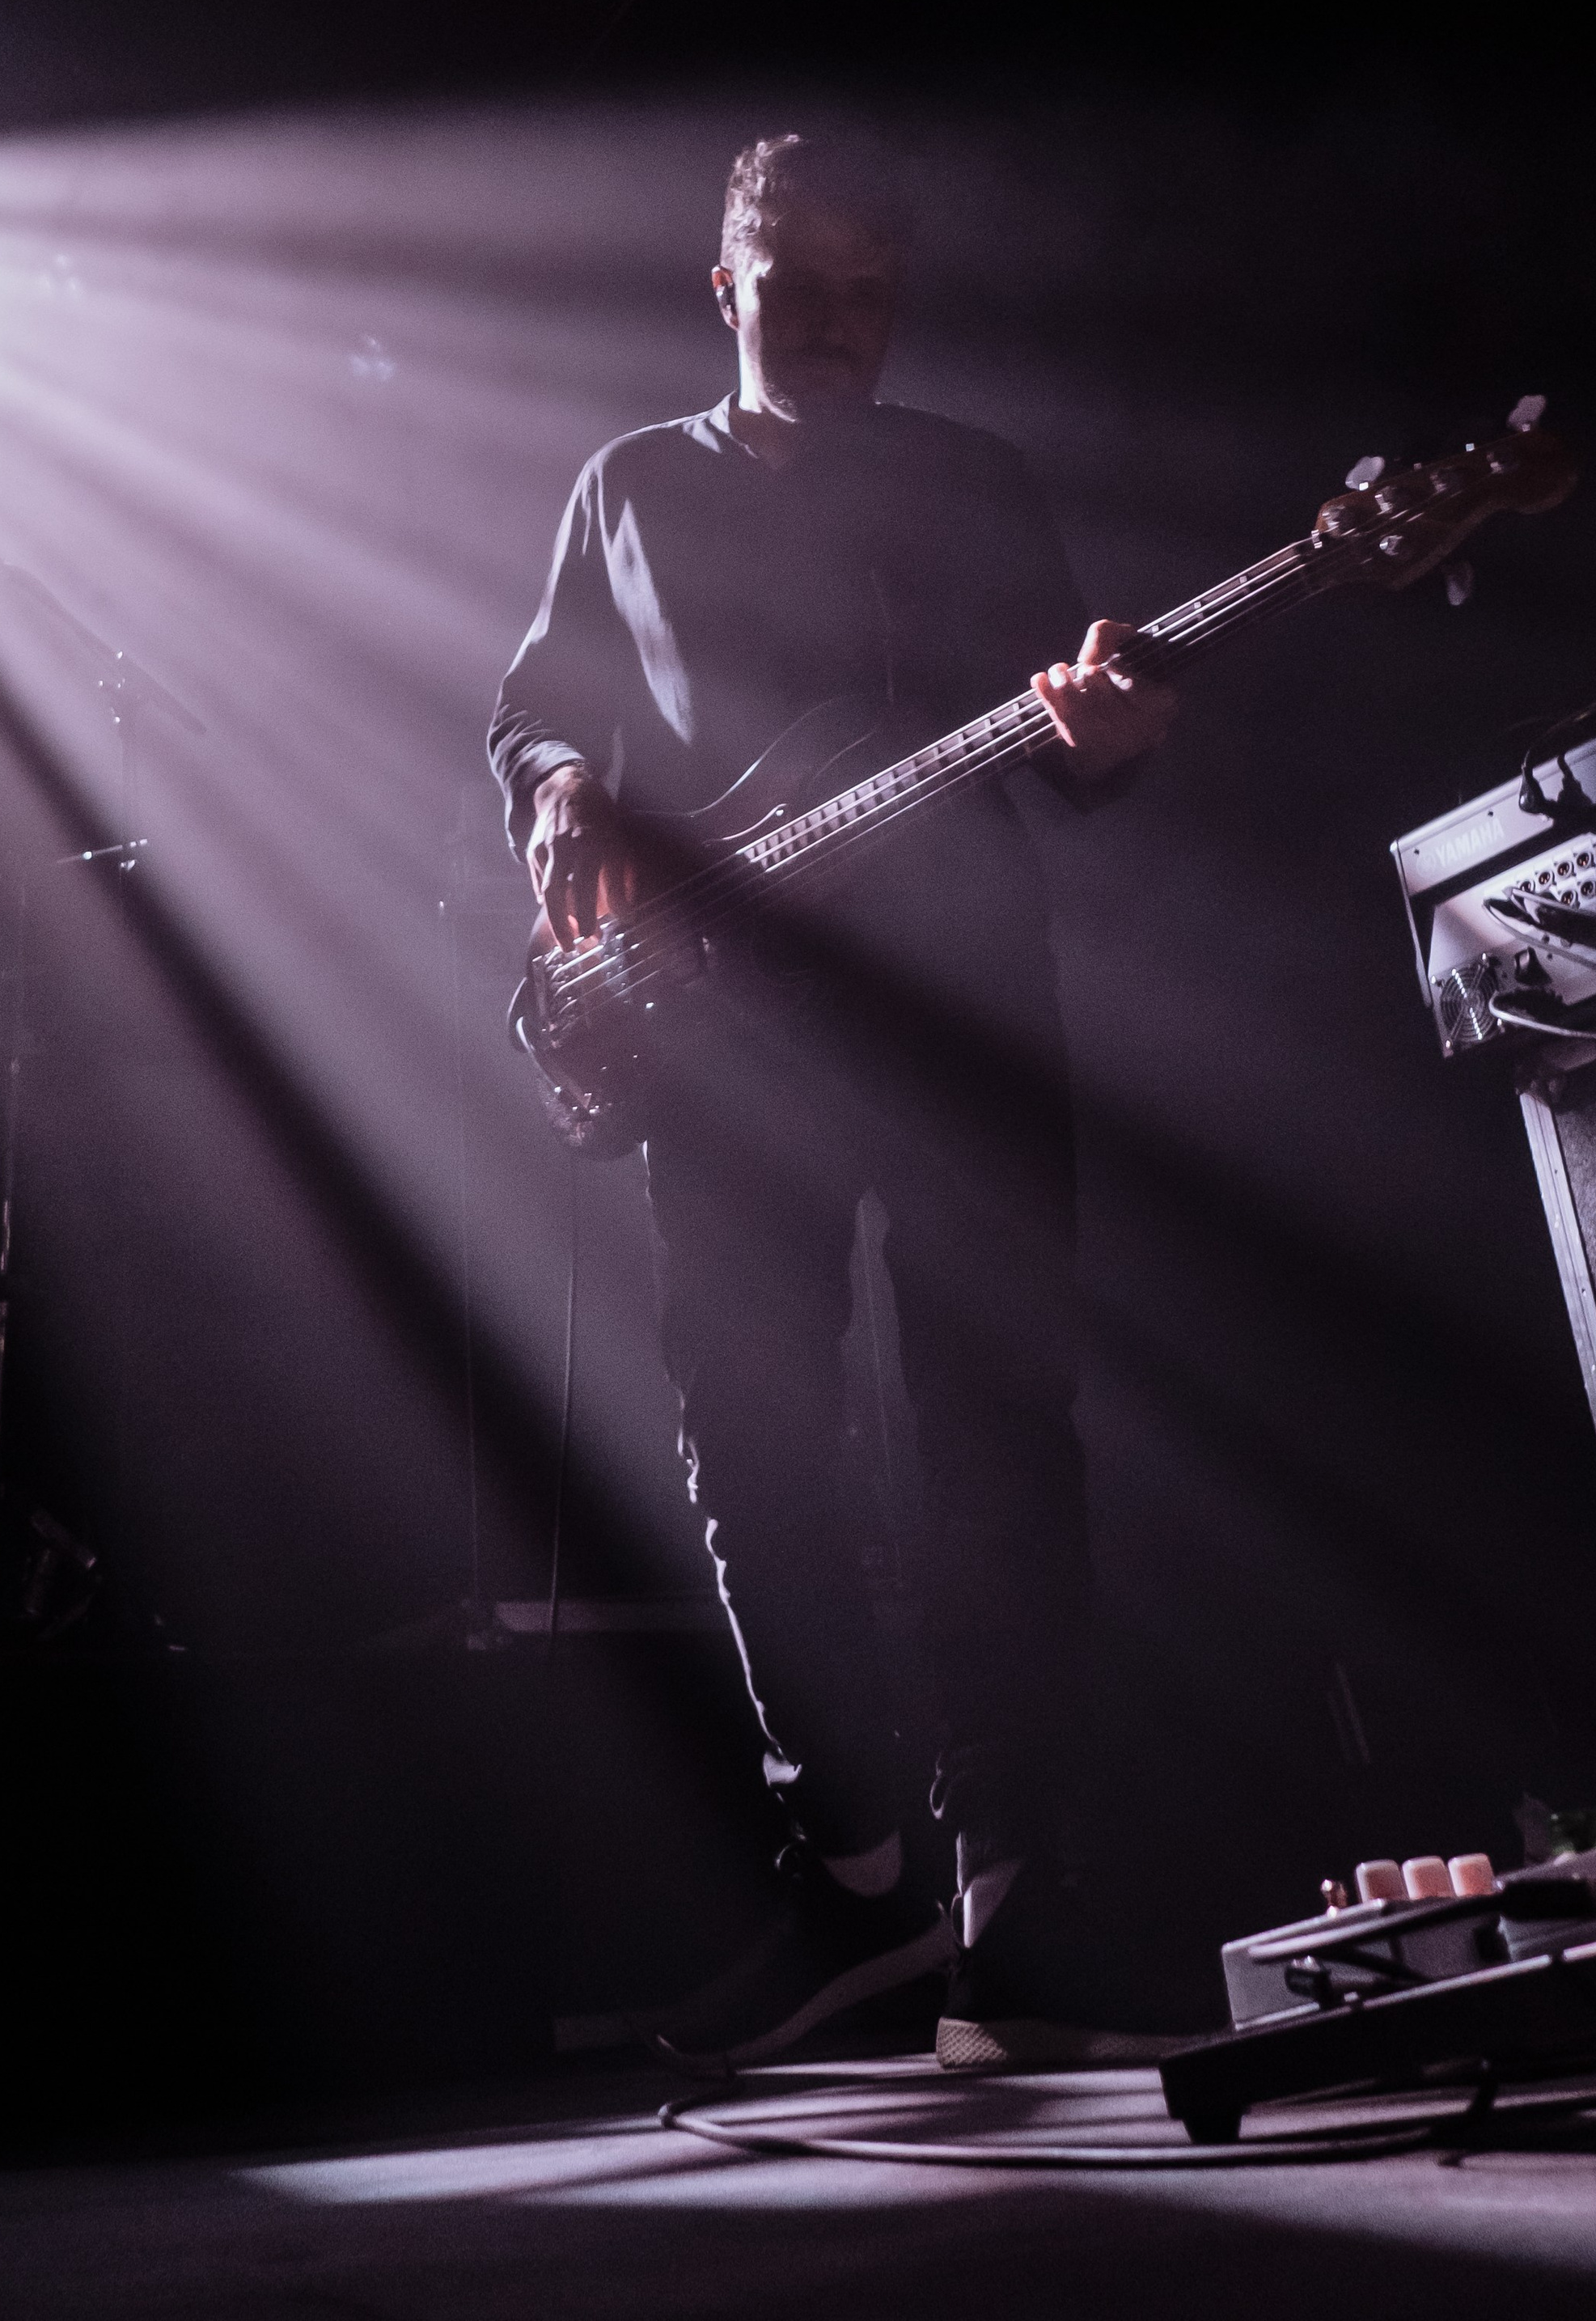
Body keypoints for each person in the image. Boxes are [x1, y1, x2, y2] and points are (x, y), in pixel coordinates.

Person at [488, 133, 1179, 2069]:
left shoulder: (974, 482)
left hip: (957, 1001)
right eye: (794, 285)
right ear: (725, 285)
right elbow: (535, 693)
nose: (835, 325)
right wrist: (553, 783)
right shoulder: (626, 482)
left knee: (995, 1426)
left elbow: (1069, 731)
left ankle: (1014, 1898)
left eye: (869, 291)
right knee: (748, 1438)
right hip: (719, 1026)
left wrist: (1112, 734)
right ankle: (852, 1884)